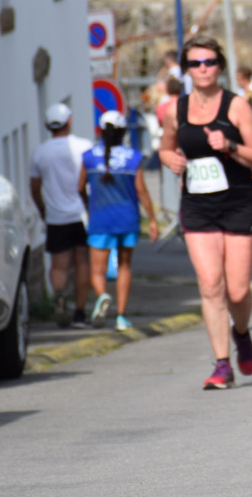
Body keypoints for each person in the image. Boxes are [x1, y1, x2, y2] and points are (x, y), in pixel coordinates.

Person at [158, 36, 252, 390]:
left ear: (219, 66)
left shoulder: (237, 107)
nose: (202, 69)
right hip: (197, 206)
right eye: (195, 63)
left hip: (238, 203)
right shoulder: (176, 109)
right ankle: (222, 364)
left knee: (237, 291)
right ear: (186, 69)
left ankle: (242, 333)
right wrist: (170, 160)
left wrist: (230, 145)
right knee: (209, 284)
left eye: (209, 62)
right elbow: (165, 147)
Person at [79, 110, 158, 330]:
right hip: (128, 219)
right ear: (123, 132)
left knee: (97, 270)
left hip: (100, 219)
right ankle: (121, 316)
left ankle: (103, 295)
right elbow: (141, 190)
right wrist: (152, 219)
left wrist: (88, 204)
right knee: (124, 266)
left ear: (101, 131)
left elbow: (79, 187)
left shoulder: (88, 157)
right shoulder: (133, 157)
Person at [30, 103, 92, 328]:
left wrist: (43, 210)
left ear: (47, 125)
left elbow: (34, 187)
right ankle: (80, 314)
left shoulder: (40, 153)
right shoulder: (84, 147)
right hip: (81, 214)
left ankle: (59, 295)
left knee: (59, 264)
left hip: (55, 216)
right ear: (69, 122)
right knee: (82, 261)